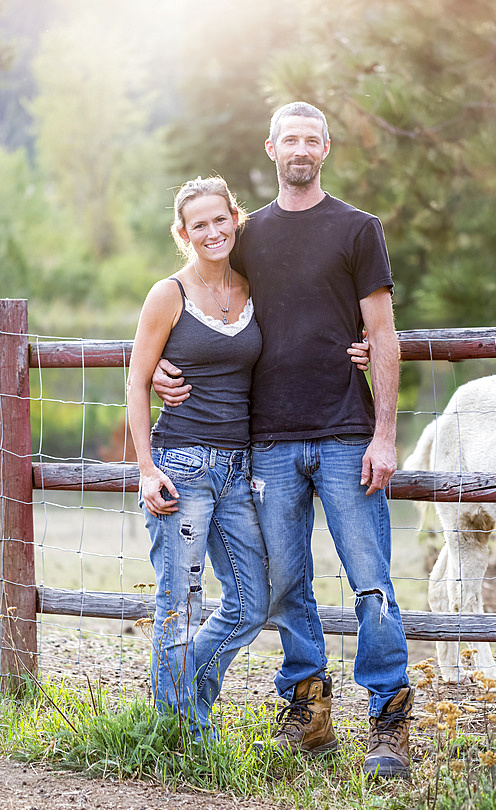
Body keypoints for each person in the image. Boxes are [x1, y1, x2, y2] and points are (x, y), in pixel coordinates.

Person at [153, 102, 412, 778]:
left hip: (347, 436)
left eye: (312, 138)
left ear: (326, 148)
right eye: (290, 138)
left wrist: (384, 435)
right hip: (267, 441)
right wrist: (156, 365)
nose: (301, 147)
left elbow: (381, 335)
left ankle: (388, 720)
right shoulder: (249, 236)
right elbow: (199, 301)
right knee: (288, 585)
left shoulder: (360, 230)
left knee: (371, 584)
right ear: (271, 148)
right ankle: (309, 711)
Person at [126, 176, 270, 742]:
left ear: (236, 219)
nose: (212, 232)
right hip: (182, 466)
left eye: (220, 220)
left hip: (239, 470)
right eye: (198, 225)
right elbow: (137, 381)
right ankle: (178, 731)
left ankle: (186, 702)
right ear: (182, 234)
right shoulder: (169, 294)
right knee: (178, 603)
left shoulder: (255, 287)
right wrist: (145, 469)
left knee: (252, 600)